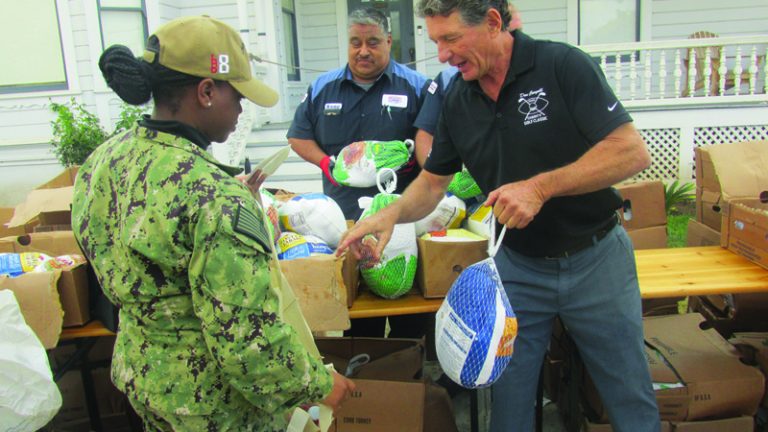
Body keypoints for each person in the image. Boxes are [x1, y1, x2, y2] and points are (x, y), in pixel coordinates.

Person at [338, 0, 662, 431]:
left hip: (596, 259)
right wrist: (391, 214)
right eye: (436, 41)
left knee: (629, 397)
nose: (443, 55)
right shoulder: (457, 98)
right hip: (517, 270)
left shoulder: (562, 65)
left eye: (451, 38)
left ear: (493, 22)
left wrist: (540, 188)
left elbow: (630, 151)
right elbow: (434, 183)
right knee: (507, 406)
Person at [71, 16, 354, 431]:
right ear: (206, 91)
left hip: (145, 378)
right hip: (214, 406)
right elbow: (248, 343)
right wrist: (319, 383)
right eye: (237, 95)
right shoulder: (214, 197)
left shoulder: (102, 162)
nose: (242, 109)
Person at [288, 7, 432, 338]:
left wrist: (412, 163)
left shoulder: (417, 87)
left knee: (407, 319)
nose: (363, 51)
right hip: (344, 222)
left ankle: (405, 378)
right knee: (357, 320)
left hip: (400, 226)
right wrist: (327, 164)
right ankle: (365, 385)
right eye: (355, 42)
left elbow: (433, 143)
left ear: (389, 42)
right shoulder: (324, 88)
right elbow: (298, 136)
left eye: (372, 42)